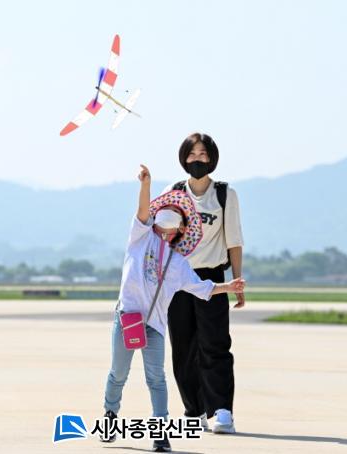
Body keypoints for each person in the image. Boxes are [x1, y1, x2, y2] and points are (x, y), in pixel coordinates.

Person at [101, 164, 245, 452]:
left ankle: (160, 434)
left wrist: (228, 287)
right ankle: (110, 416)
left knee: (156, 378)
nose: (164, 235)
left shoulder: (178, 262)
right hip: (127, 319)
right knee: (118, 373)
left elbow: (202, 288)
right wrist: (146, 185)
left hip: (153, 325)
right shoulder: (139, 238)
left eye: (170, 231)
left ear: (180, 230)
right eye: (160, 228)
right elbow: (142, 211)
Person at [163, 133, 245, 434]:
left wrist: (237, 282)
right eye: (192, 154)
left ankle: (222, 410)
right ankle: (194, 410)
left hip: (212, 278)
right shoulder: (173, 193)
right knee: (183, 348)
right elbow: (160, 238)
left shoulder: (224, 194)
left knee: (215, 345)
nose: (197, 159)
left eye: (203, 154)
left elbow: (234, 240)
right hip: (178, 280)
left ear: (212, 158)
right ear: (183, 158)